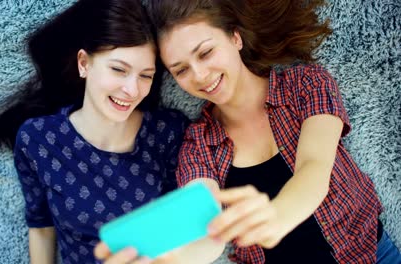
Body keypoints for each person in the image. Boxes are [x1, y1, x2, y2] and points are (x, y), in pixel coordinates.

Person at [132, 0, 400, 263]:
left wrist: (276, 216)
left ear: (235, 37)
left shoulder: (306, 84)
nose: (200, 75)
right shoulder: (197, 144)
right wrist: (174, 258)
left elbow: (314, 167)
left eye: (205, 53)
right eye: (181, 70)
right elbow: (206, 231)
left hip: (371, 255)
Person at [0, 0, 190, 263]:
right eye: (119, 70)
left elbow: (186, 229)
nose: (132, 91)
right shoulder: (38, 139)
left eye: (146, 75)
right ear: (84, 63)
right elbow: (41, 227)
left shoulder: (167, 132)